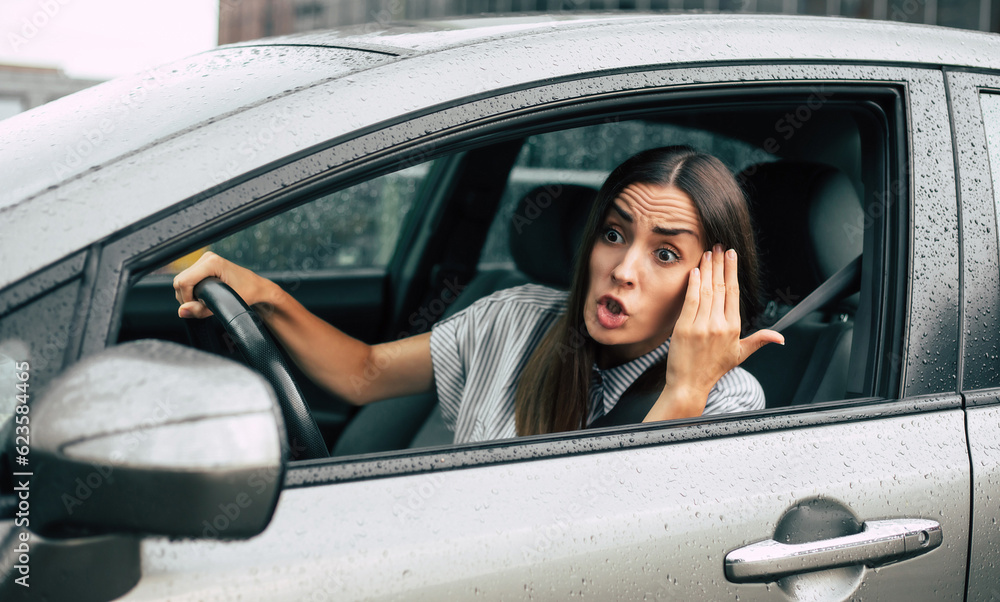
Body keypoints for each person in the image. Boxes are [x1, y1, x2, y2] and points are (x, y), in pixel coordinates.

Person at [173, 145, 783, 445]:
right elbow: (363, 372)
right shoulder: (514, 318)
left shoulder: (730, 402)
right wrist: (265, 296)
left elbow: (625, 550)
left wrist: (682, 392)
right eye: (614, 233)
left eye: (665, 253)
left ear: (712, 282)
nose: (624, 269)